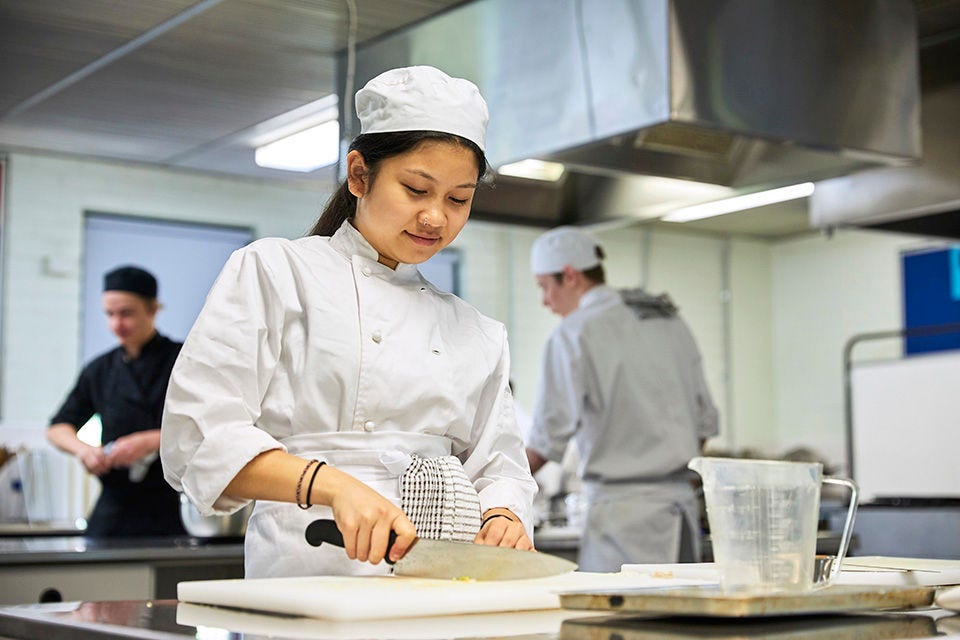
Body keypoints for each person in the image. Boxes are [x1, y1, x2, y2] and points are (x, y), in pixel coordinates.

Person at [160, 66, 537, 579]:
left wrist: (502, 513)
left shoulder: (477, 331)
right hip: (309, 572)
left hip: (441, 581)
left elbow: (501, 466)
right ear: (359, 174)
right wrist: (335, 485)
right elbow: (198, 436)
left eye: (458, 198)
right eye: (415, 189)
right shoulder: (276, 270)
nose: (435, 217)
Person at [524, 226, 718, 572]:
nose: (544, 301)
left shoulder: (573, 334)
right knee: (679, 623)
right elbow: (704, 425)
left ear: (569, 276)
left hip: (622, 522)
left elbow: (545, 441)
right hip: (682, 516)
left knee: (621, 621)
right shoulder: (669, 320)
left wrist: (493, 487)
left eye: (543, 287)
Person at [47, 266, 185, 537]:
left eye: (126, 313)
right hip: (114, 509)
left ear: (153, 309)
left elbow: (209, 428)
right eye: (109, 314)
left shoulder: (183, 361)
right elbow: (57, 428)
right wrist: (84, 450)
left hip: (173, 508)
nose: (116, 324)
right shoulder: (99, 369)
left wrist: (152, 440)